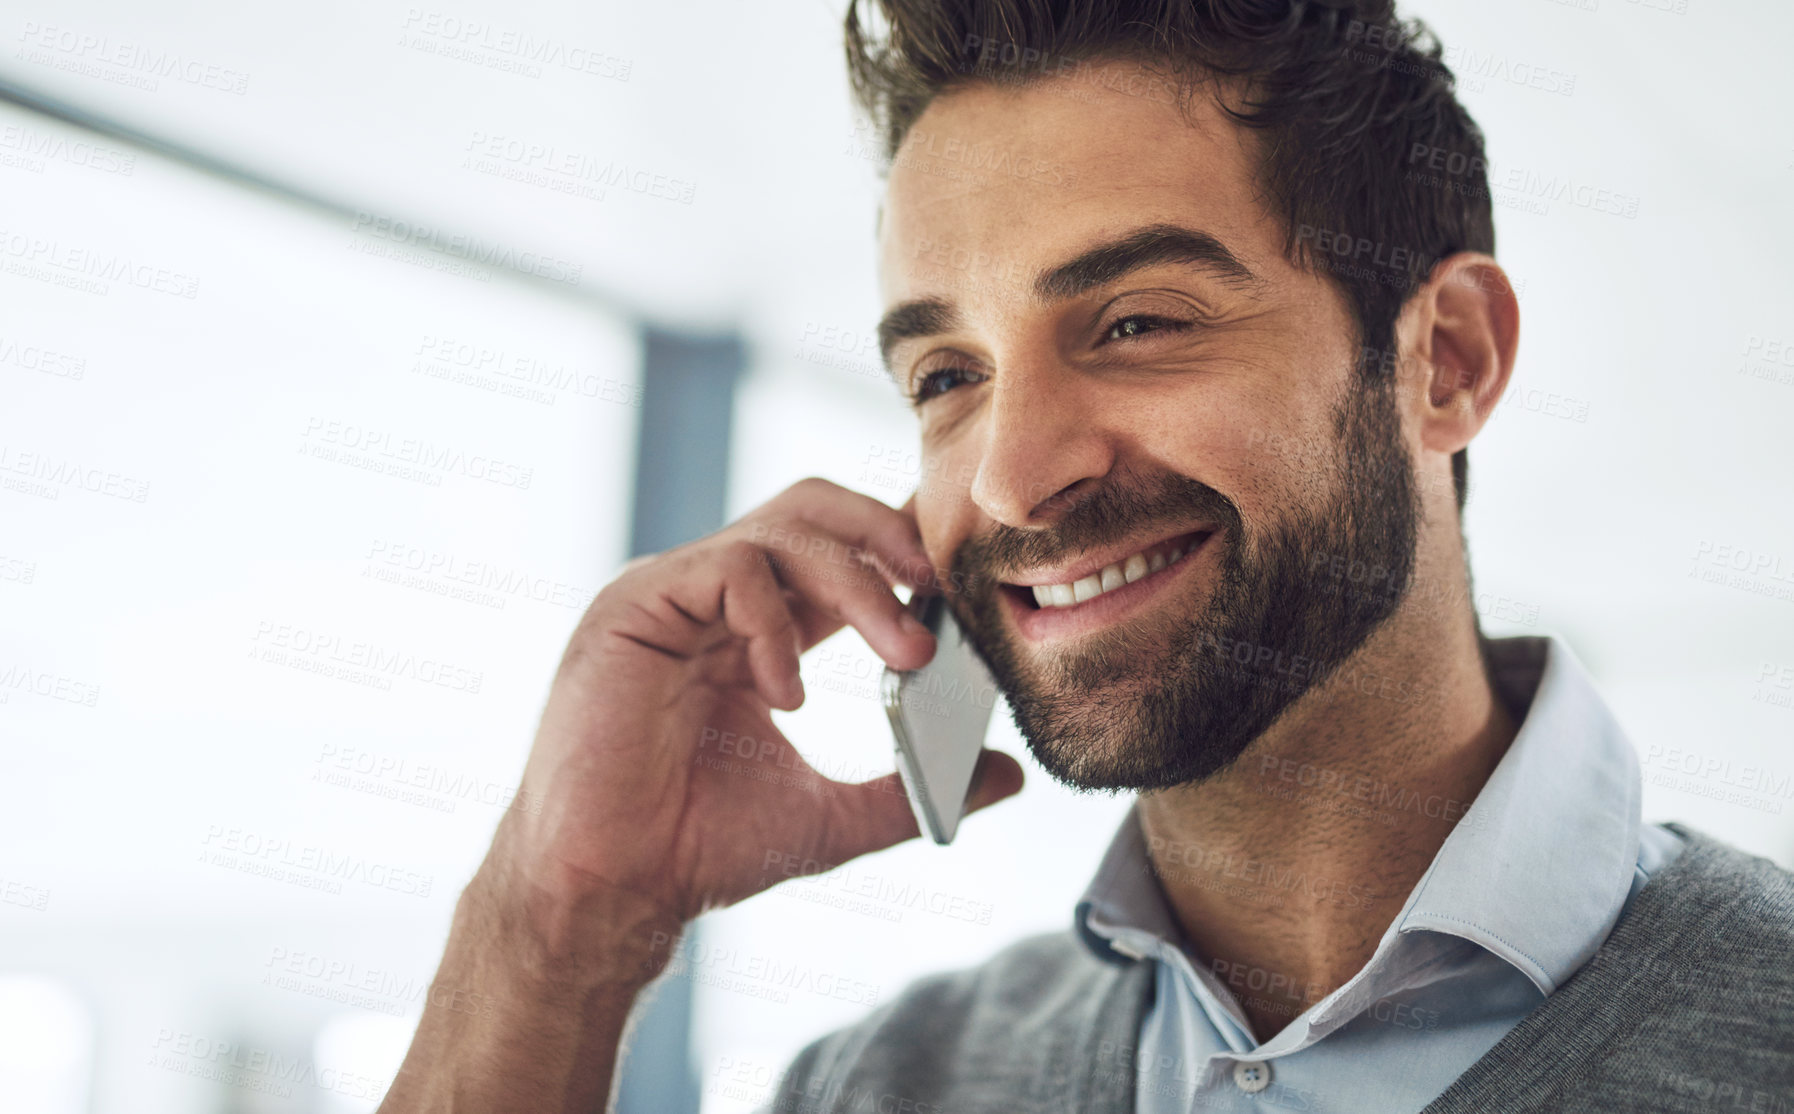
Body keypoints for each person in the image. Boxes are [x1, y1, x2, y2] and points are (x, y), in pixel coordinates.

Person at [378, 2, 1794, 1111]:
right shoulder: (875, 1089)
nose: (1006, 473)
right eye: (945, 374)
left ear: (1445, 361)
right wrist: (557, 927)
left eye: (1134, 323)